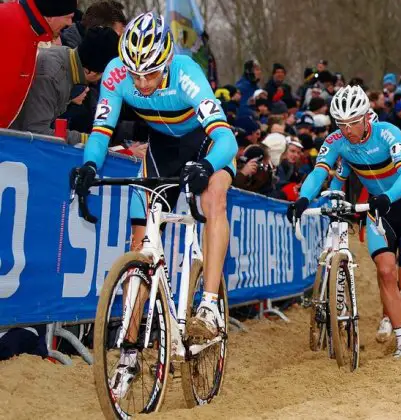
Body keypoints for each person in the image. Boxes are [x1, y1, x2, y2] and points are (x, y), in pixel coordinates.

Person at [70, 12, 237, 398]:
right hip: (161, 148)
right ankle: (129, 351)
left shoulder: (187, 73)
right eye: (135, 74)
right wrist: (89, 166)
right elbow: (101, 130)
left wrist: (209, 165)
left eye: (150, 74)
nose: (141, 83)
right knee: (139, 242)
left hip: (206, 146)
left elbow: (227, 139)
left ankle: (209, 305)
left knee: (214, 196)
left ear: (166, 60)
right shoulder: (116, 74)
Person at [286, 85, 401, 359]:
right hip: (378, 210)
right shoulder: (337, 140)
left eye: (352, 123)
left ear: (365, 117)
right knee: (386, 272)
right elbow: (319, 172)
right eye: (341, 124)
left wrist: (387, 195)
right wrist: (303, 198)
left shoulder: (388, 132)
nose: (347, 129)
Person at [11, 26, 120, 144]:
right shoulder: (52, 76)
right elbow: (36, 133)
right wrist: (86, 140)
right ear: (90, 71)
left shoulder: (67, 58)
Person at [0, 0, 76, 128]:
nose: (70, 23)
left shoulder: (30, 32)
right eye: (68, 17)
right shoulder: (10, 25)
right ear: (51, 16)